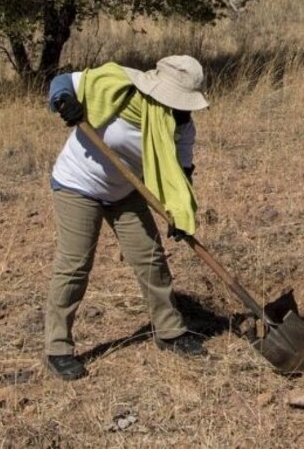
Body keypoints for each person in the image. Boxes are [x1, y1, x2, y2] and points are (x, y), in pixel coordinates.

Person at [43, 56, 209, 381]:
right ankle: (57, 349)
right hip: (78, 185)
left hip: (125, 190)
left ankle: (170, 331)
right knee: (75, 264)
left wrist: (177, 211)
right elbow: (62, 83)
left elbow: (180, 175)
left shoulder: (182, 127)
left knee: (150, 257)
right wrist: (64, 102)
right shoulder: (118, 87)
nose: (183, 110)